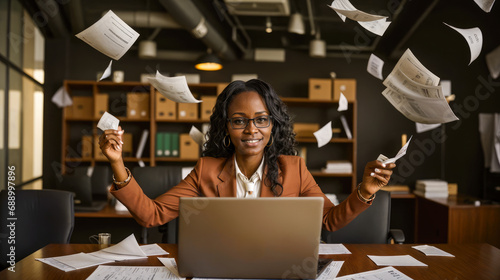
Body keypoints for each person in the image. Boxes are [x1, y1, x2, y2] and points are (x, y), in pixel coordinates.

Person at [99, 79, 395, 231]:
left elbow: (329, 220)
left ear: (272, 125)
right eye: (239, 120)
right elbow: (152, 215)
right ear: (227, 127)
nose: (251, 130)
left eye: (261, 119)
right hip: (220, 270)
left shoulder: (294, 170)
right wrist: (117, 162)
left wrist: (365, 191)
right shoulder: (206, 171)